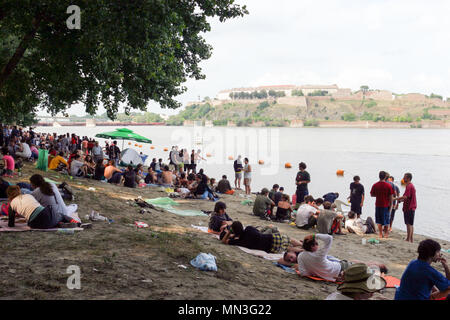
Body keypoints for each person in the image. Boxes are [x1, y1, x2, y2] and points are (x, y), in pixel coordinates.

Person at [291, 234, 387, 281]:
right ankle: (380, 268)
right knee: (363, 265)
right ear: (312, 247)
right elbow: (329, 238)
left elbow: (304, 273)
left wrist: (316, 271)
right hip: (342, 268)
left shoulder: (301, 256)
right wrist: (314, 235)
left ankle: (377, 266)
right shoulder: (318, 254)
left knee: (353, 261)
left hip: (337, 266)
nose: (318, 245)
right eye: (317, 244)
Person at [7, 186, 76, 229]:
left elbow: (11, 224)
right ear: (19, 191)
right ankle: (75, 222)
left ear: (9, 195)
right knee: (61, 215)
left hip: (35, 224)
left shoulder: (11, 204)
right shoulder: (28, 195)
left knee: (30, 222)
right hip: (47, 214)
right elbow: (35, 207)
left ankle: (58, 224)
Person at [221, 221, 303, 254]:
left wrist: (229, 232)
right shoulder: (249, 228)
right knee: (289, 239)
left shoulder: (240, 242)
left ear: (234, 232)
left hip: (272, 249)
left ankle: (303, 250)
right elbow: (258, 233)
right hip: (272, 238)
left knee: (288, 249)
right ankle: (302, 245)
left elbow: (224, 241)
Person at [370, 171, 394, 239]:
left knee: (379, 220)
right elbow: (391, 197)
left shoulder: (375, 185)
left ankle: (380, 234)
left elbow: (372, 194)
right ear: (385, 177)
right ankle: (386, 234)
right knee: (386, 220)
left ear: (379, 176)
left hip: (378, 204)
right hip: (386, 204)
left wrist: (378, 195)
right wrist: (391, 206)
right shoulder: (388, 185)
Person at [394, 173, 417, 243]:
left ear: (409, 178)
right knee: (411, 223)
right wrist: (400, 200)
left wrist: (395, 199)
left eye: (405, 177)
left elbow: (405, 196)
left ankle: (408, 238)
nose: (403, 178)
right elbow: (407, 197)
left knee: (408, 224)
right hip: (411, 206)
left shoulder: (409, 186)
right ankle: (411, 239)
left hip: (409, 207)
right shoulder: (410, 186)